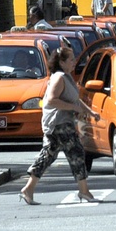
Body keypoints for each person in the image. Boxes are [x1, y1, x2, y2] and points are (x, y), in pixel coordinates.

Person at [19, 47, 101, 205]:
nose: (74, 61)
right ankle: (84, 191)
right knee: (76, 153)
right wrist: (75, 109)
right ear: (61, 62)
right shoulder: (59, 77)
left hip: (59, 123)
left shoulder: (66, 77)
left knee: (47, 156)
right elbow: (51, 100)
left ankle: (28, 189)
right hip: (59, 123)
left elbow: (75, 99)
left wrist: (90, 112)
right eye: (71, 59)